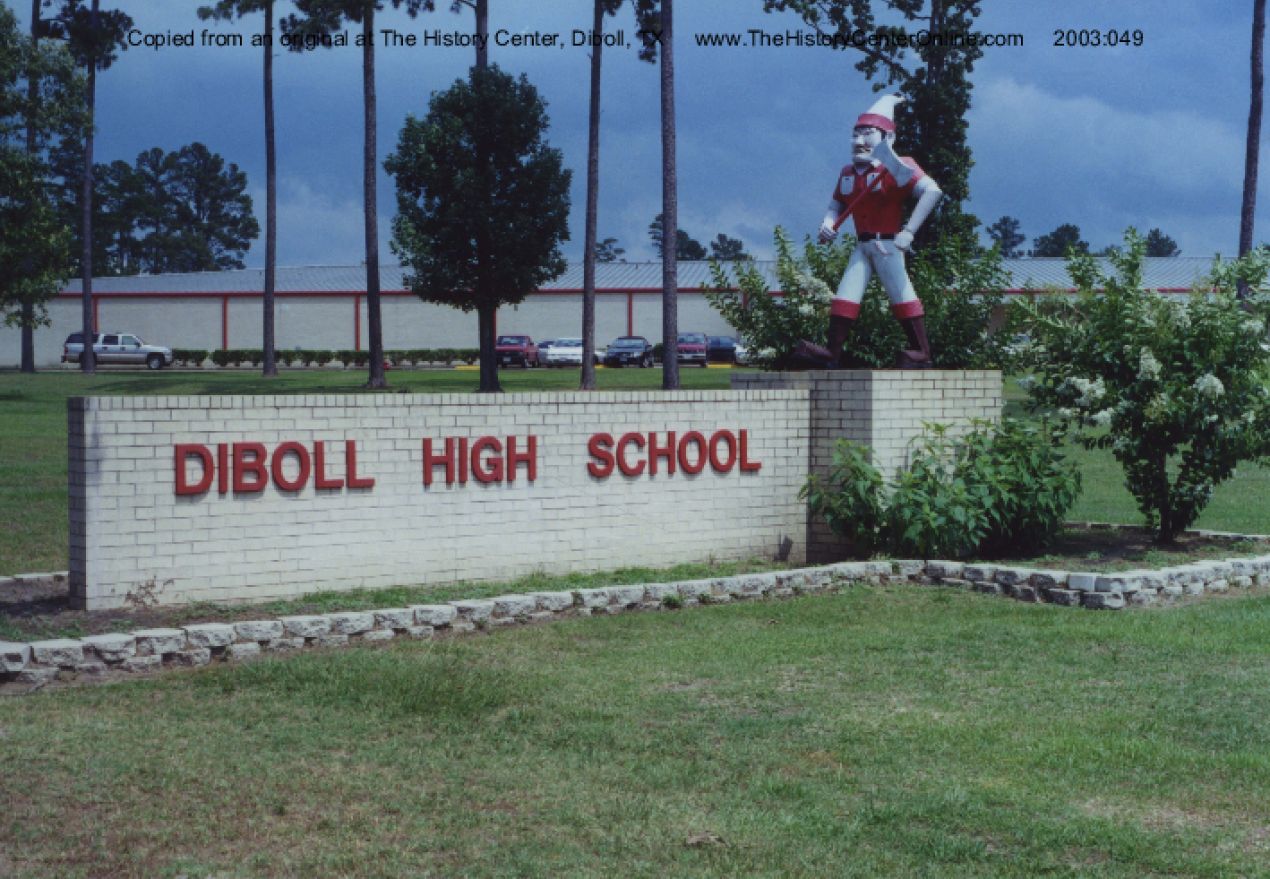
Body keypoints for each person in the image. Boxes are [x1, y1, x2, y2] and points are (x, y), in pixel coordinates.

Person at [801, 94, 943, 368]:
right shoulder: (847, 173)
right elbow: (836, 205)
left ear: (887, 138)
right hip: (862, 245)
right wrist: (829, 224)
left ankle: (922, 351)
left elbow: (932, 190)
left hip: (887, 245)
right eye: (855, 134)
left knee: (901, 295)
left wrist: (909, 231)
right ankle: (832, 352)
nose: (858, 141)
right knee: (845, 296)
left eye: (867, 134)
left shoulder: (899, 167)